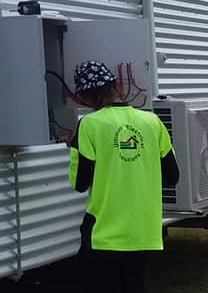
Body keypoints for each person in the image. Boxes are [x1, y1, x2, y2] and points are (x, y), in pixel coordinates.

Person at [67, 60, 180, 293]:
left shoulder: (88, 125)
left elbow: (80, 183)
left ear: (88, 96)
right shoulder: (152, 121)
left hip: (104, 235)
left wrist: (73, 147)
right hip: (144, 233)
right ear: (115, 86)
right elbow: (173, 176)